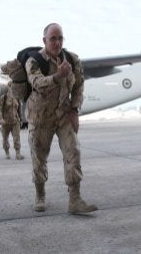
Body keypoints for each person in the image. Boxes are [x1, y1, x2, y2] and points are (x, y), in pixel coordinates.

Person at [25, 22, 97, 214]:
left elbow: (79, 85)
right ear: (44, 41)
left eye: (60, 38)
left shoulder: (72, 60)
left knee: (73, 151)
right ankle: (40, 194)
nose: (57, 43)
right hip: (40, 117)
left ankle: (75, 199)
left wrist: (75, 110)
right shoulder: (34, 61)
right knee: (39, 158)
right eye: (52, 39)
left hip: (64, 114)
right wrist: (58, 76)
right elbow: (38, 83)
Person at [0, 85, 23, 160]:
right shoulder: (3, 98)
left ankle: (18, 153)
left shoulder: (17, 98)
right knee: (5, 138)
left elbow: (19, 110)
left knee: (16, 137)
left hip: (15, 121)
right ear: (8, 88)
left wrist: (21, 120)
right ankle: (7, 153)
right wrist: (1, 119)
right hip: (5, 122)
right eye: (11, 86)